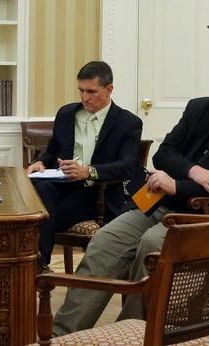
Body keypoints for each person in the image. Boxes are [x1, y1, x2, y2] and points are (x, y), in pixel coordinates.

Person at [51, 52, 209, 337]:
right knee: (105, 241)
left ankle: (134, 335)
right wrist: (197, 173)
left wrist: (177, 185)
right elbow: (165, 154)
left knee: (151, 246)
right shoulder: (200, 108)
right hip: (162, 205)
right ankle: (62, 335)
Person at [26, 61, 144, 275]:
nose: (84, 97)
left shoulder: (128, 123)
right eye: (81, 90)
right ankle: (39, 265)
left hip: (97, 193)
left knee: (41, 216)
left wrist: (89, 171)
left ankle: (39, 262)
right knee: (39, 194)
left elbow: (127, 166)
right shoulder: (67, 114)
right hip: (61, 186)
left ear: (109, 90)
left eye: (91, 91)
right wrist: (40, 162)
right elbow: (53, 150)